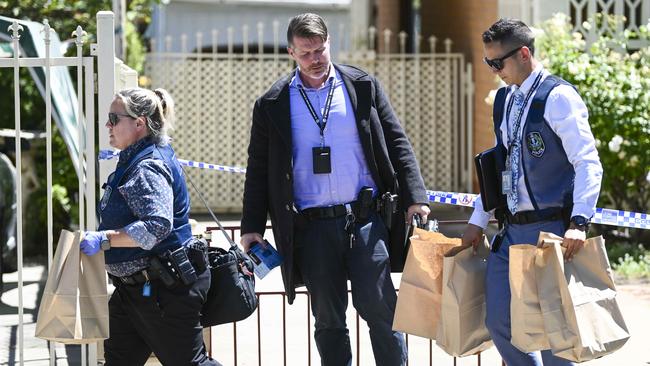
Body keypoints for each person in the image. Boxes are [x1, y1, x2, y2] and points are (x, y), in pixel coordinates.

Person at [240, 12, 430, 366]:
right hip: (311, 228)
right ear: (291, 53)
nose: (315, 60)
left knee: (382, 311)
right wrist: (252, 226)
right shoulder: (272, 104)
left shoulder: (361, 85)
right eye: (306, 53)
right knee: (328, 320)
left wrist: (415, 198)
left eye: (320, 50)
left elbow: (397, 141)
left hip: (365, 221)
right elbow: (259, 170)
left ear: (330, 44)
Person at [462, 19, 603, 365]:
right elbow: (498, 167)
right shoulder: (505, 100)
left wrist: (579, 221)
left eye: (499, 63)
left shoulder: (559, 97)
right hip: (510, 231)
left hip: (552, 231)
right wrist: (477, 220)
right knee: (499, 322)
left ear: (524, 54)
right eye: (488, 63)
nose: (495, 71)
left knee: (554, 336)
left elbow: (588, 162)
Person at [79, 88, 220, 366]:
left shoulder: (147, 166)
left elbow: (157, 225)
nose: (108, 125)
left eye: (113, 118)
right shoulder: (135, 157)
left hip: (161, 292)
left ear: (139, 123)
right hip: (137, 290)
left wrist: (105, 239)